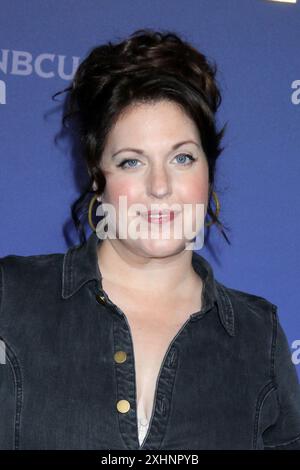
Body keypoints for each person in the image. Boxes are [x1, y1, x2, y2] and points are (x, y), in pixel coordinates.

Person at [0, 28, 300, 451]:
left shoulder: (257, 337)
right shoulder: (11, 299)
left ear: (208, 171)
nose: (160, 186)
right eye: (131, 161)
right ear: (96, 178)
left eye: (182, 157)